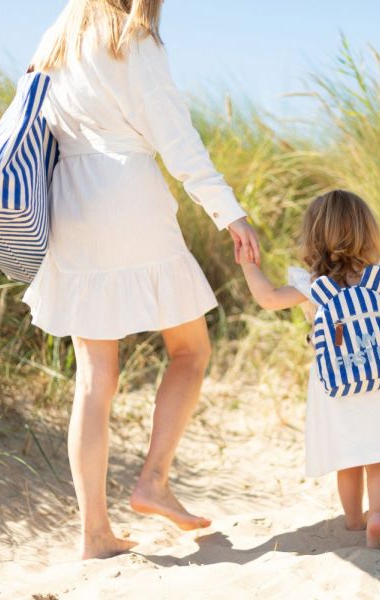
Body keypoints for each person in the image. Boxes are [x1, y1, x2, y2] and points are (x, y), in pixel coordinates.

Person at [23, 0, 260, 560]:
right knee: (190, 350)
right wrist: (229, 212)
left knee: (93, 377)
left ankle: (94, 534)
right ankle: (152, 479)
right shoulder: (133, 35)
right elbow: (177, 139)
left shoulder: (55, 36)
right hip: (128, 195)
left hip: (70, 204)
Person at [239, 189, 380, 550]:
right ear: (367, 233)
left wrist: (248, 263)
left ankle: (354, 519)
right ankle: (378, 516)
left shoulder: (312, 285)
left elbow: (267, 300)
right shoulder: (379, 278)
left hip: (336, 381)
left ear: (312, 237)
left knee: (350, 455)